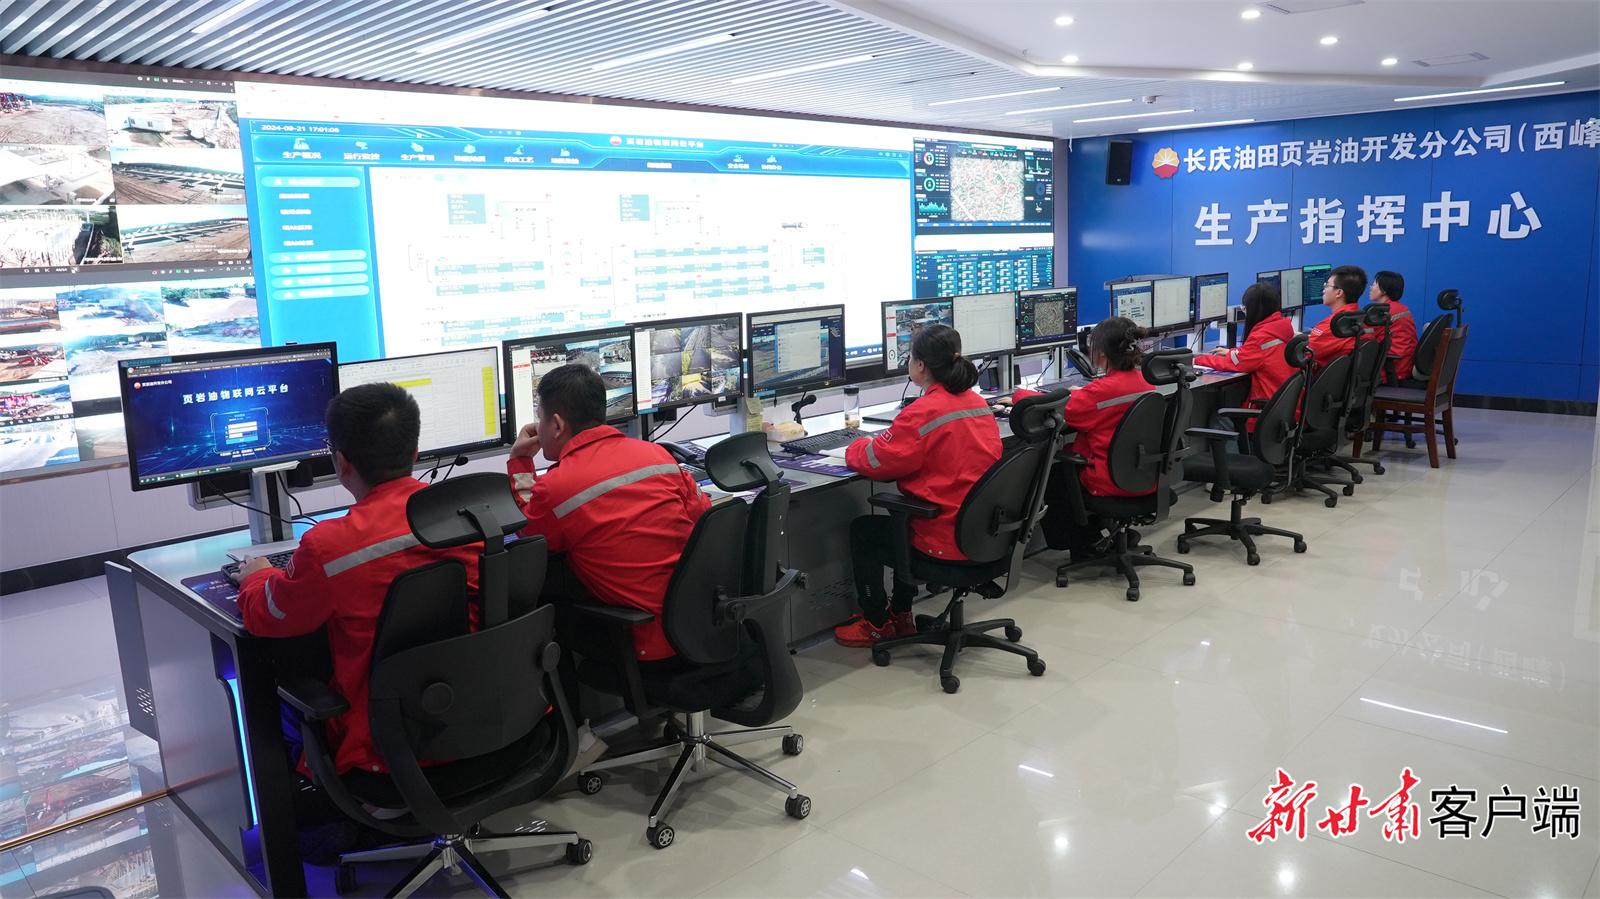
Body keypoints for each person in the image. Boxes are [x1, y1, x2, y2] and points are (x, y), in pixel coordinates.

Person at [237, 383, 481, 777]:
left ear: (341, 462)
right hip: (477, 720)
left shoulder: (330, 548)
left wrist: (258, 575)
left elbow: (268, 616)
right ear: (415, 453)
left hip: (381, 750)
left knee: (269, 696)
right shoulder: (467, 514)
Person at [506, 363, 709, 662]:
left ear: (557, 425)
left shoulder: (556, 488)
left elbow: (529, 533)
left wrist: (520, 460)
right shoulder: (657, 455)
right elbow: (703, 515)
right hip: (699, 625)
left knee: (546, 608)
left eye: (540, 417)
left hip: (646, 642)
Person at [834, 324, 1001, 647]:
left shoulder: (923, 412)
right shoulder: (977, 403)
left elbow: (877, 462)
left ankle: (877, 622)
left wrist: (855, 446)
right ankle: (901, 614)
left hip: (946, 538)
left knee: (866, 530)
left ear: (921, 365)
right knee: (906, 520)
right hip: (983, 533)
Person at [1193, 281, 1295, 425]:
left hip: (1266, 416)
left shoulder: (1261, 337)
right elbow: (1255, 354)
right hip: (1284, 411)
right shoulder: (1281, 328)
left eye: (1245, 307)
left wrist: (1196, 360)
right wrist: (1232, 352)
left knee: (1218, 419)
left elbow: (1236, 363)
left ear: (1254, 310)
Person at [1306, 264, 1368, 368]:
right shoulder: (1361, 319)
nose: (1324, 289)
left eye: (1327, 285)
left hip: (1319, 376)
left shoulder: (1333, 325)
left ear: (1339, 293)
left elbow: (1305, 353)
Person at [1367, 270, 1417, 383]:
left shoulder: (1383, 313)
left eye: (1374, 284)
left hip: (1392, 370)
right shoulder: (1402, 309)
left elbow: (1362, 337)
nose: (1370, 288)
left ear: (1383, 290)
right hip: (1404, 365)